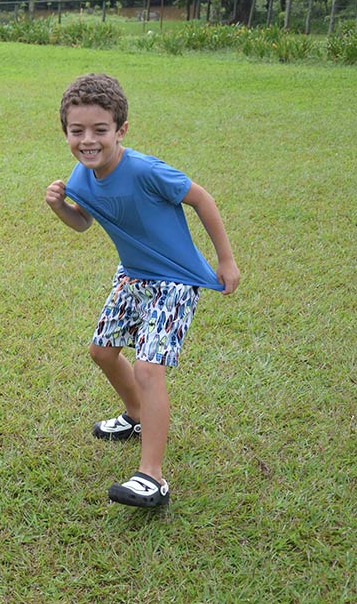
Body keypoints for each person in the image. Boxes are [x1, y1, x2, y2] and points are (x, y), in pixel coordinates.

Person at [44, 73, 240, 508]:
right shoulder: (80, 177)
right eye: (77, 131)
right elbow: (83, 222)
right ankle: (135, 415)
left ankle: (152, 476)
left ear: (121, 130)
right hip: (132, 276)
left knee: (150, 368)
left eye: (100, 130)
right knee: (102, 352)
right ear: (66, 133)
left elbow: (201, 198)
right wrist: (62, 207)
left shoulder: (147, 170)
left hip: (175, 279)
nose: (88, 140)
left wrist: (225, 260)